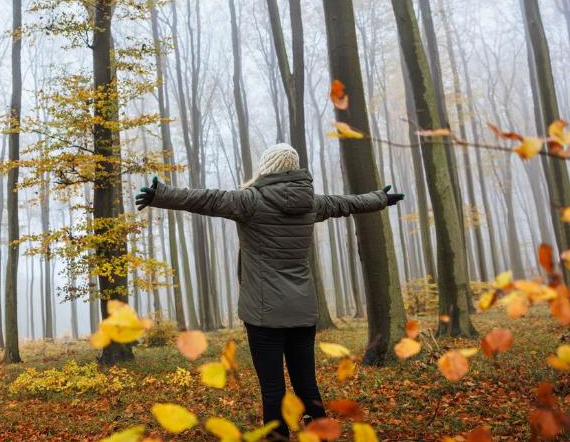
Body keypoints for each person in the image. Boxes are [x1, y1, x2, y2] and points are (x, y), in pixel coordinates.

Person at [135, 143, 404, 438]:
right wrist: (380, 198)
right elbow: (347, 203)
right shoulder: (311, 202)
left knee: (273, 390)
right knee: (306, 384)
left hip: (264, 315)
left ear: (267, 168)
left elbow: (206, 199)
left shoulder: (251, 201)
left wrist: (160, 195)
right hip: (302, 311)